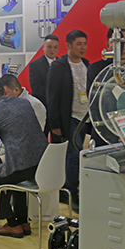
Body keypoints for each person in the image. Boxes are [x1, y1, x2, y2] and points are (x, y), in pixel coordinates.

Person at [0, 77, 48, 238]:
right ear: (4, 90)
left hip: (22, 165)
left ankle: (13, 224)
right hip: (43, 164)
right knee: (14, 177)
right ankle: (23, 222)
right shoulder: (24, 103)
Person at [46, 30, 89, 213]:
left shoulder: (87, 64)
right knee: (73, 155)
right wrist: (55, 124)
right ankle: (71, 193)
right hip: (69, 117)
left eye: (85, 43)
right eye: (79, 44)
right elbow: (52, 96)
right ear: (69, 46)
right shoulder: (59, 66)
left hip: (85, 117)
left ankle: (73, 188)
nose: (83, 47)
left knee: (79, 154)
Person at [86, 28, 125, 146]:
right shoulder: (96, 70)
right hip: (106, 133)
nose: (122, 47)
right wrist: (116, 132)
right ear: (108, 45)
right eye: (117, 42)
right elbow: (95, 104)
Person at [0, 74, 47, 172]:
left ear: (16, 90)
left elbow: (32, 136)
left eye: (5, 93)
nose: (3, 97)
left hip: (21, 155)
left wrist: (0, 170)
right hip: (4, 149)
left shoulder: (33, 104)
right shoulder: (21, 103)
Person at [29, 34, 59, 108]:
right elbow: (36, 88)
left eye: (55, 47)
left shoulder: (63, 64)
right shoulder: (35, 65)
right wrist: (55, 93)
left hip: (60, 106)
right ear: (43, 47)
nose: (52, 50)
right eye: (49, 47)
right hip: (42, 105)